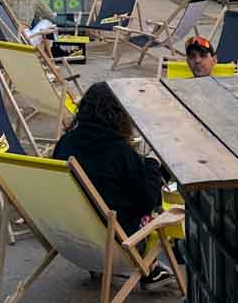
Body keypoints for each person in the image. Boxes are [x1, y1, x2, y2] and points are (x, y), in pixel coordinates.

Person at [53, 82, 173, 288]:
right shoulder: (119, 151)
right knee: (159, 206)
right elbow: (148, 200)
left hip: (73, 238)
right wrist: (153, 163)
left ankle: (148, 267)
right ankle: (149, 266)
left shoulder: (65, 143)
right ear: (119, 114)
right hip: (118, 244)